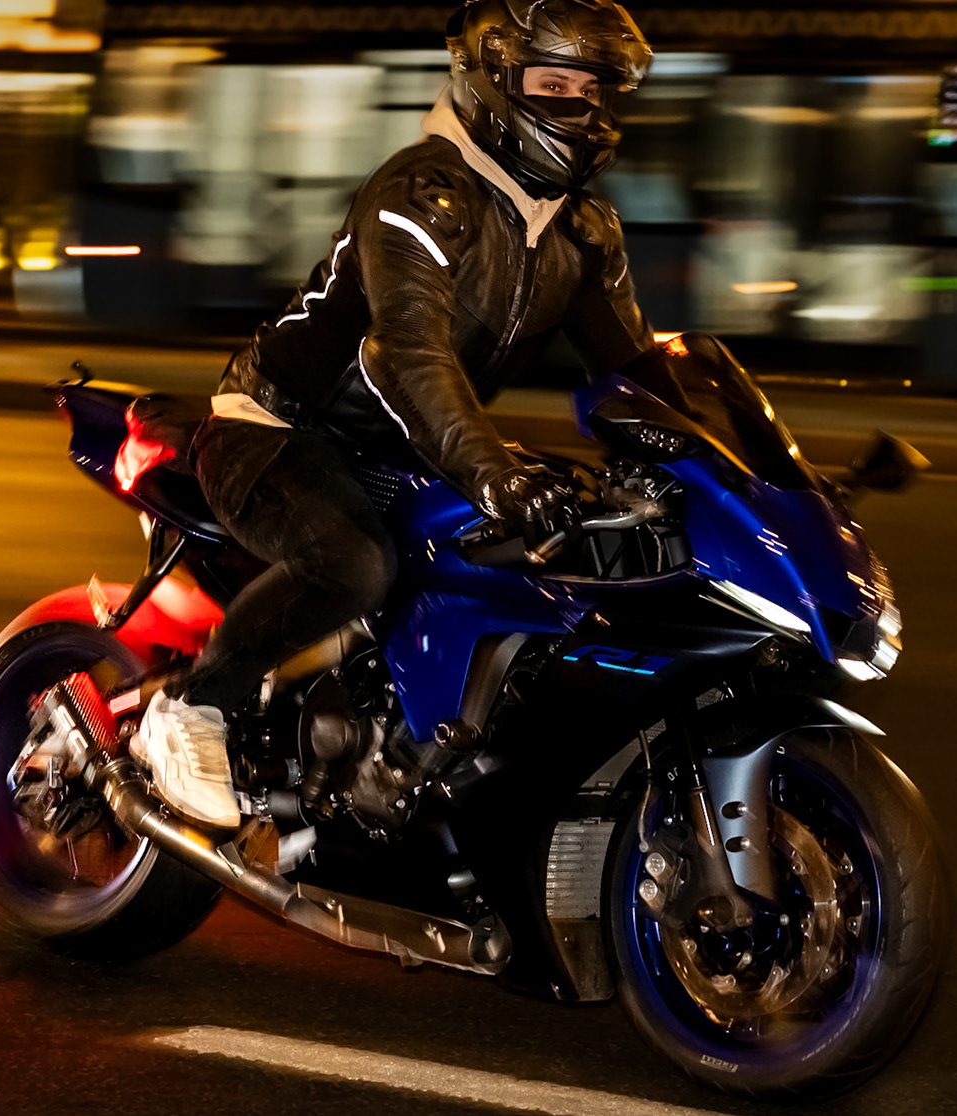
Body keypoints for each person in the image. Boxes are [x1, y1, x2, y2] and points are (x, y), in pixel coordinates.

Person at [129, 0, 658, 827]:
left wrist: (755, 475)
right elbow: (411, 355)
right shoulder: (423, 192)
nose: (580, 108)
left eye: (592, 90)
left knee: (539, 569)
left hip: (407, 442)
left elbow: (639, 376)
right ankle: (193, 706)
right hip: (279, 428)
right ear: (492, 82)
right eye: (553, 86)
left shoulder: (581, 234)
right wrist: (494, 474)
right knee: (355, 563)